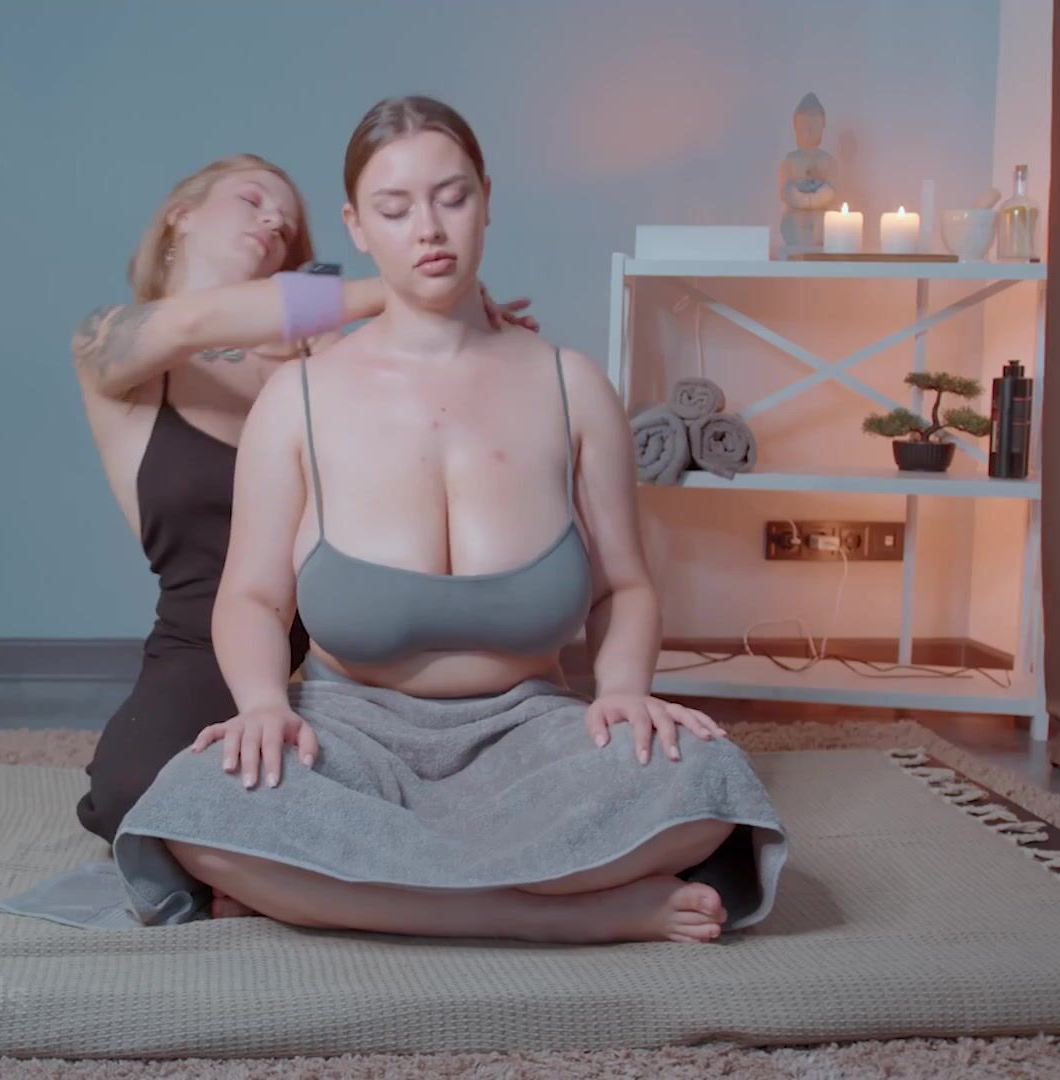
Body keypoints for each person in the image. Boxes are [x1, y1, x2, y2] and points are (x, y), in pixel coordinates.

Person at [104, 98, 788, 944]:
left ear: (487, 200)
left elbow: (624, 585)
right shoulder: (299, 396)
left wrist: (621, 695)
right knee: (195, 803)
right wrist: (262, 706)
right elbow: (252, 596)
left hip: (532, 733)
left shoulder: (573, 385)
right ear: (357, 227)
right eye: (394, 209)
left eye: (452, 197)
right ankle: (563, 917)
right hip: (346, 738)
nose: (428, 228)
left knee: (707, 779)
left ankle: (343, 893)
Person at [69, 154, 535, 844]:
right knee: (135, 797)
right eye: (253, 200)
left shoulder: (322, 357)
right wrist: (409, 285)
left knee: (488, 793)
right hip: (206, 637)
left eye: (286, 226)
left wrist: (468, 335)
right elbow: (192, 324)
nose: (273, 223)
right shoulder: (110, 344)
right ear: (181, 215)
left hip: (351, 634)